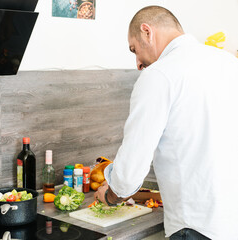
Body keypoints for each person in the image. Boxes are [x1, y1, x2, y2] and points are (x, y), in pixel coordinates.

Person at [94, 5, 238, 240]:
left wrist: (111, 195)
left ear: (146, 31)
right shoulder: (230, 64)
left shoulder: (158, 75)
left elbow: (130, 169)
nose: (138, 63)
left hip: (195, 226)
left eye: (134, 49)